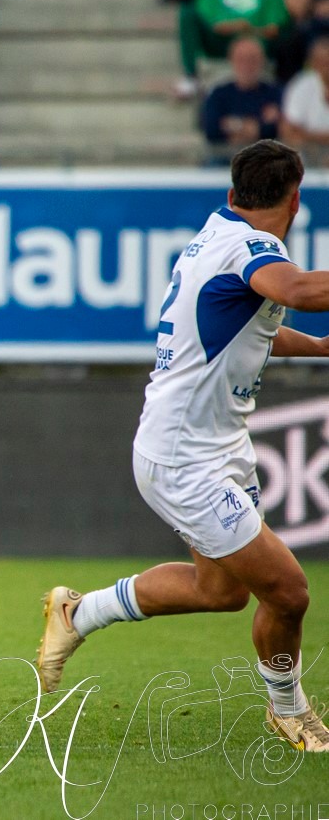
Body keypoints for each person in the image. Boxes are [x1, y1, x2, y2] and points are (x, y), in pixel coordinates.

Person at [36, 139, 329, 752]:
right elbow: (299, 291)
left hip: (213, 446)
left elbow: (253, 332)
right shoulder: (254, 248)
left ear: (233, 194)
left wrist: (323, 347)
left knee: (221, 591)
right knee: (289, 591)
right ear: (296, 200)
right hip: (185, 459)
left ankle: (77, 613)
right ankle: (289, 709)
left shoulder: (214, 236)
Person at [200, 36, 282, 158]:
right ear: (231, 60)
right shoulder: (218, 94)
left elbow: (278, 129)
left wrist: (231, 125)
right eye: (241, 59)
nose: (247, 65)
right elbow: (211, 129)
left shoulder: (275, 93)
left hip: (265, 158)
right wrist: (252, 127)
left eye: (252, 59)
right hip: (225, 157)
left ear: (262, 61)